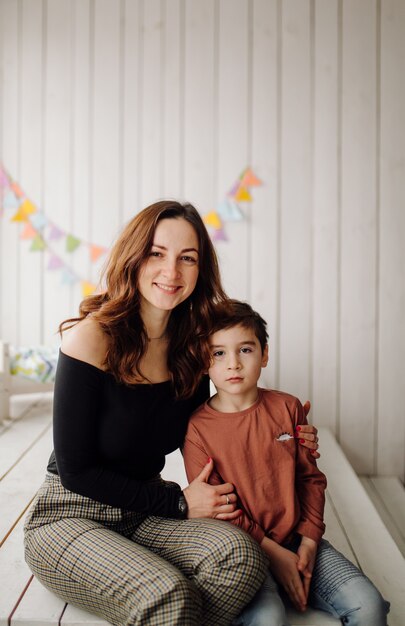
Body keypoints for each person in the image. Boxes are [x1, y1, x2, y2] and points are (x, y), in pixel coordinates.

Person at [23, 201, 319, 626]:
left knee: (241, 557)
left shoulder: (191, 348)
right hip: (71, 514)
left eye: (188, 258)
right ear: (134, 256)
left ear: (201, 270)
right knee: (166, 592)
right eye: (157, 253)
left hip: (144, 512)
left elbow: (224, 420)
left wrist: (286, 431)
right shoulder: (90, 339)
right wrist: (178, 501)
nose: (171, 272)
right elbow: (76, 470)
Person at [183, 299, 390, 626]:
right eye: (219, 353)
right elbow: (217, 508)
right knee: (268, 620)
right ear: (203, 362)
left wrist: (308, 540)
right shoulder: (197, 428)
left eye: (245, 350)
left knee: (369, 605)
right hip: (245, 551)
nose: (233, 364)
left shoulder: (288, 407)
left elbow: (311, 479)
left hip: (299, 538)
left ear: (264, 354)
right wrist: (274, 554)